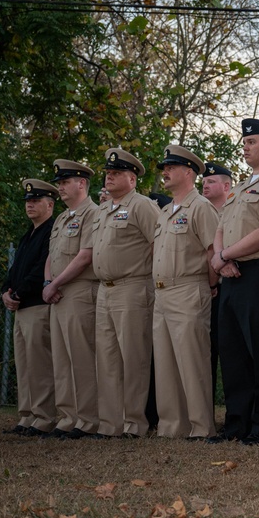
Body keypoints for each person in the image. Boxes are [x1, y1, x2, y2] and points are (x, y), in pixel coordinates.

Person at [209, 119, 259, 445]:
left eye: (252, 141)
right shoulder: (241, 187)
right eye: (244, 141)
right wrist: (221, 258)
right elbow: (220, 228)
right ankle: (236, 425)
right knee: (233, 354)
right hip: (232, 277)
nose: (245, 146)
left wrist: (226, 255)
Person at [151, 145, 219, 439]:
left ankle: (201, 427)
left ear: (189, 172)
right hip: (162, 294)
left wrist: (212, 285)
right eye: (165, 168)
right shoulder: (166, 211)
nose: (165, 172)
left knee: (192, 362)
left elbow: (213, 251)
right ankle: (172, 426)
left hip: (189, 289)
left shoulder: (201, 206)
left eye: (171, 167)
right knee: (165, 364)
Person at [91, 148, 159, 438]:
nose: (110, 177)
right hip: (104, 291)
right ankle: (110, 424)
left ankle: (134, 423)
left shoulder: (142, 205)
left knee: (134, 359)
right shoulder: (104, 209)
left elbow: (160, 244)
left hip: (132, 288)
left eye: (116, 173)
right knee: (106, 358)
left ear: (132, 179)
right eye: (108, 173)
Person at [43, 160, 100, 439]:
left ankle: (87, 420)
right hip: (58, 293)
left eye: (65, 182)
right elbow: (51, 255)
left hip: (78, 291)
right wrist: (48, 283)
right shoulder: (63, 218)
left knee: (81, 358)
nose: (60, 188)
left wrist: (55, 283)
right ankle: (68, 418)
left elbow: (85, 256)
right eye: (59, 183)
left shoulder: (93, 213)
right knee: (62, 360)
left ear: (81, 183)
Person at [1, 180, 57, 436]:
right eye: (27, 201)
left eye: (35, 200)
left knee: (40, 365)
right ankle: (27, 415)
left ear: (50, 204)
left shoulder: (50, 231)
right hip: (21, 307)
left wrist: (19, 293)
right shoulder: (29, 233)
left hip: (36, 305)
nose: (29, 204)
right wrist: (5, 291)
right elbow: (15, 270)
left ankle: (44, 417)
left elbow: (41, 269)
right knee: (23, 365)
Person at [201, 161, 232, 408]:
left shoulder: (233, 210)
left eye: (211, 181)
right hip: (201, 290)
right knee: (205, 352)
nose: (205, 185)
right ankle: (206, 407)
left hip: (225, 287)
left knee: (230, 350)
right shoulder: (198, 211)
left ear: (226, 186)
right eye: (203, 181)